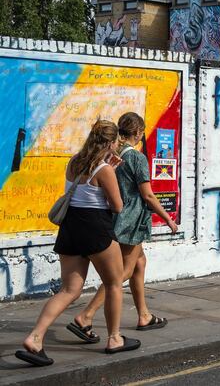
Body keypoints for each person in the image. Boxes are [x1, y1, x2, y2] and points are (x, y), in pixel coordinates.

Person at [16, 121, 140, 367]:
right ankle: (115, 338)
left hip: (71, 227)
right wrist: (111, 173)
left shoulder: (73, 162)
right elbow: (116, 206)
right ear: (112, 143)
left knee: (69, 290)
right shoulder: (104, 169)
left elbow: (83, 191)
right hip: (95, 228)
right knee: (114, 283)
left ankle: (35, 337)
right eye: (116, 142)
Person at [71, 113, 178, 339]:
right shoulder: (137, 158)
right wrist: (168, 218)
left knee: (139, 263)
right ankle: (86, 315)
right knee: (121, 273)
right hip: (132, 221)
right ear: (139, 133)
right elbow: (147, 195)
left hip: (115, 218)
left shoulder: (113, 154)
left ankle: (144, 315)